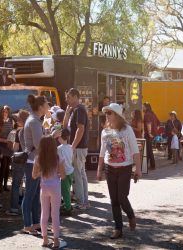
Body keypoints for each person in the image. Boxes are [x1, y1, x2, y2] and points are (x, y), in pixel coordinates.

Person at [97, 103, 141, 239]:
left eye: (109, 113)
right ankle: (118, 228)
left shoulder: (127, 130)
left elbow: (135, 150)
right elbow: (102, 152)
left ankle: (131, 215)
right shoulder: (105, 132)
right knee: (114, 200)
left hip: (125, 168)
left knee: (122, 197)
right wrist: (99, 169)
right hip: (110, 168)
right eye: (106, 113)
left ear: (116, 115)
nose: (107, 116)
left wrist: (138, 169)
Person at [32, 135, 66, 248]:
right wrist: (58, 173)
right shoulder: (58, 158)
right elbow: (64, 176)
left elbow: (33, 175)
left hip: (44, 188)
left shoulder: (38, 158)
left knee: (44, 213)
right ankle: (56, 240)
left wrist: (40, 172)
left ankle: (45, 239)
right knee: (55, 214)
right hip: (55, 187)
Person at [22, 95, 50, 234]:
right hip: (33, 162)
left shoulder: (35, 119)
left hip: (34, 161)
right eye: (47, 105)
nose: (48, 107)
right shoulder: (33, 121)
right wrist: (53, 137)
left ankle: (36, 223)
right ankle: (28, 225)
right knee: (30, 194)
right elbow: (40, 144)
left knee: (34, 194)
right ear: (40, 107)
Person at [63, 88, 90, 210]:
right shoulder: (75, 110)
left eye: (68, 97)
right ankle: (84, 200)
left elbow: (81, 129)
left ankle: (82, 202)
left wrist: (73, 146)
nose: (66, 99)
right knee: (81, 173)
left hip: (78, 147)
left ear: (74, 97)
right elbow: (65, 128)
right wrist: (67, 113)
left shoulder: (80, 110)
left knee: (78, 174)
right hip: (78, 147)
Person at [6, 109, 29, 216]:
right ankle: (27, 208)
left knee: (16, 184)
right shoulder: (33, 130)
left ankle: (14, 208)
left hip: (20, 161)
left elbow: (15, 148)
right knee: (29, 185)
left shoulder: (19, 132)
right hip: (31, 161)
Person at [0, 105, 15, 191]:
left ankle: (5, 185)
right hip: (1, 146)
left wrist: (10, 141)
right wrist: (4, 141)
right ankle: (0, 186)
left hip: (9, 146)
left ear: (9, 112)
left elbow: (14, 132)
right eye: (3, 111)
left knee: (7, 167)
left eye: (6, 111)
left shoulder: (11, 121)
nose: (5, 113)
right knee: (3, 166)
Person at [57, 128, 74, 216]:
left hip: (65, 172)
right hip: (71, 171)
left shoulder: (59, 149)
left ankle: (68, 208)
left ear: (60, 137)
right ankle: (67, 205)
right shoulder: (71, 147)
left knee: (65, 192)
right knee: (67, 190)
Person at [142, 102, 160, 170]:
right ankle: (147, 165)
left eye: (143, 106)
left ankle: (152, 165)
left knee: (149, 150)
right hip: (153, 134)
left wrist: (150, 132)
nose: (142, 108)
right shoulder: (153, 114)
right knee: (148, 149)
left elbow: (148, 123)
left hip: (148, 135)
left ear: (146, 107)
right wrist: (155, 131)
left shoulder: (147, 114)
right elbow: (158, 123)